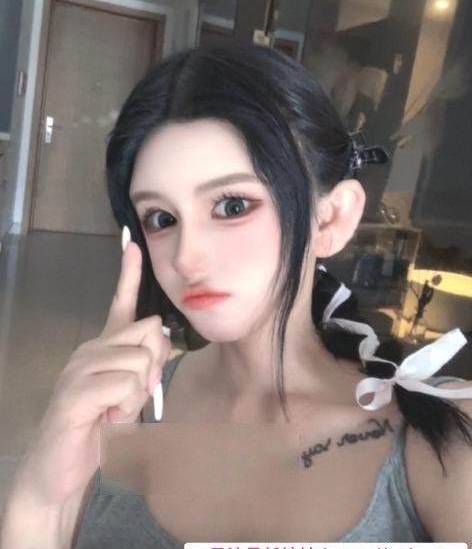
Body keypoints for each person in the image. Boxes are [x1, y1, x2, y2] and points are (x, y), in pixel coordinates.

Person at [2, 41, 472, 547]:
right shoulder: (127, 409)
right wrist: (44, 500)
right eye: (161, 218)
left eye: (231, 206)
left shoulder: (438, 437)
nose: (186, 258)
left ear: (330, 218)